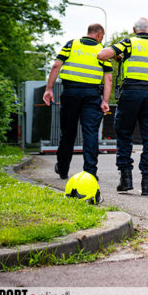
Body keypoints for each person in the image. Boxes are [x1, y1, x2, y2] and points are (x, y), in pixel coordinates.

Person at [97, 17, 148, 196]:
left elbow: (101, 55)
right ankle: (147, 184)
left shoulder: (128, 43)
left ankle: (126, 179)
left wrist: (118, 56)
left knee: (124, 135)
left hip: (130, 94)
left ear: (134, 30)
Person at [43, 24, 112, 180]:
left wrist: (49, 89)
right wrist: (105, 101)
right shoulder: (102, 50)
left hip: (71, 92)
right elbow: (108, 78)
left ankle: (63, 168)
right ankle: (90, 172)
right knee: (90, 133)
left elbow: (56, 65)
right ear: (100, 34)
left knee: (67, 132)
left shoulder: (71, 44)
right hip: (92, 95)